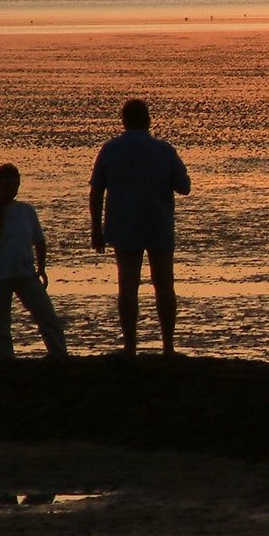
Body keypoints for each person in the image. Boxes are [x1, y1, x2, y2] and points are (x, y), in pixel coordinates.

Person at [89, 98, 191, 356]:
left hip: (123, 225)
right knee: (164, 285)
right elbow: (184, 187)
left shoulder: (110, 149)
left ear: (123, 121)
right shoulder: (164, 150)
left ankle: (130, 346)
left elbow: (96, 190)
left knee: (127, 286)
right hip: (158, 223)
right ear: (148, 120)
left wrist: (96, 228)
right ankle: (168, 346)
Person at [0, 163, 68, 361]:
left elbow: (39, 241)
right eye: (7, 183)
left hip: (25, 273)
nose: (12, 186)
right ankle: (5, 360)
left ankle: (58, 354)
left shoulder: (26, 210)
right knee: (1, 324)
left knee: (46, 315)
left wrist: (41, 267)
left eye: (15, 182)